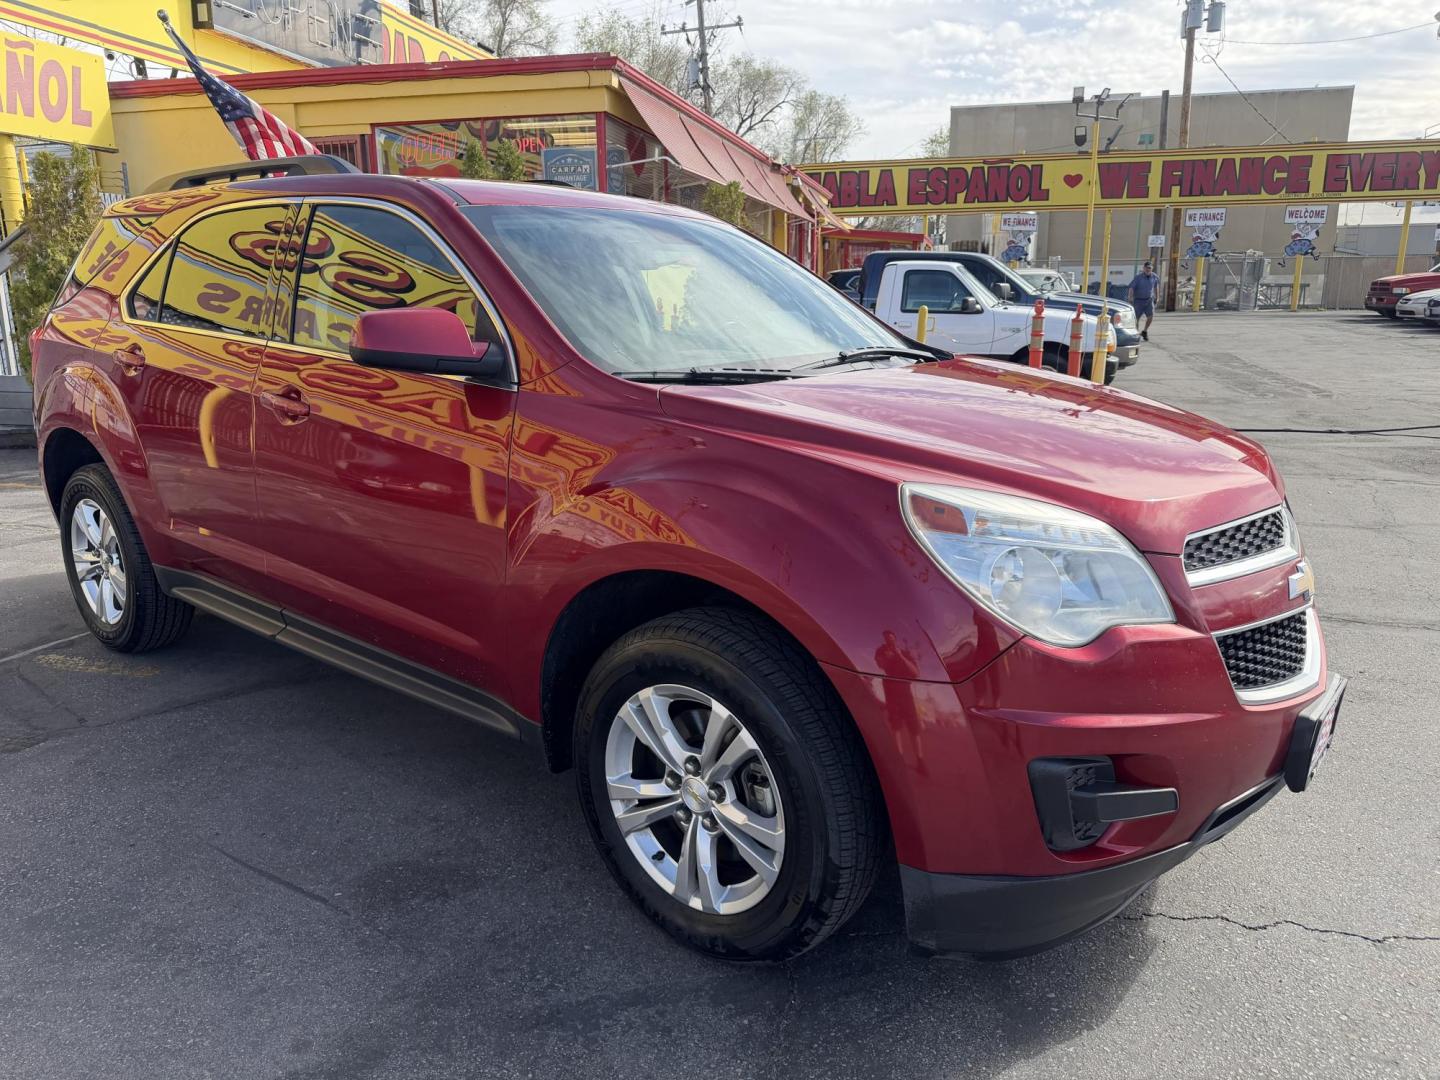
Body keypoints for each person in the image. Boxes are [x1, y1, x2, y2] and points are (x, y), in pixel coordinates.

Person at [1128, 262, 1161, 340]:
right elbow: (1131, 288)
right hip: (1138, 301)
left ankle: (1144, 331)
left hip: (1149, 300)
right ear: (1143, 268)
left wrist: (1157, 297)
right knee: (1136, 318)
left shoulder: (1155, 277)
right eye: (1146, 268)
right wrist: (1130, 297)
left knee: (1150, 316)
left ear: (1151, 268)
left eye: (1149, 268)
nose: (1148, 269)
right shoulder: (1138, 277)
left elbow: (1156, 287)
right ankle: (1136, 334)